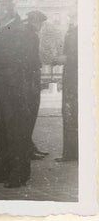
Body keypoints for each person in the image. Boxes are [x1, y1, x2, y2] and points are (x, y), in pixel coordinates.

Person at [0, 0, 30, 188]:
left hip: (13, 86)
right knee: (0, 129)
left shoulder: (21, 30)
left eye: (2, 6)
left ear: (11, 7)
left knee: (16, 131)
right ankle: (2, 170)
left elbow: (25, 62)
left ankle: (19, 174)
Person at [23, 10, 49, 160]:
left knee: (28, 117)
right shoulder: (31, 35)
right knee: (29, 116)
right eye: (40, 23)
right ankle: (28, 149)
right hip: (29, 80)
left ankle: (30, 147)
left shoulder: (27, 33)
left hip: (28, 78)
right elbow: (31, 59)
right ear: (35, 22)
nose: (41, 26)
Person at [54, 9, 78, 162]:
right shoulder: (72, 30)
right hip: (71, 78)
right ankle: (70, 153)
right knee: (70, 116)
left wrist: (67, 58)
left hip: (77, 79)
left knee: (73, 116)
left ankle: (72, 153)